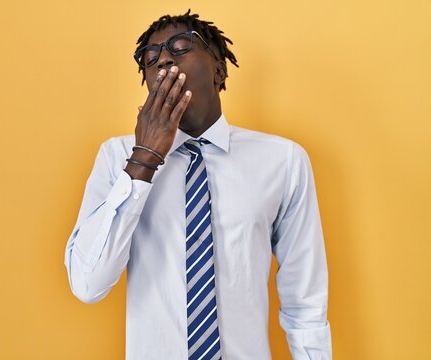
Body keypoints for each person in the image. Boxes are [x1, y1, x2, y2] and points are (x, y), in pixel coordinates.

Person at [64, 9, 332, 360]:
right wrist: (144, 158)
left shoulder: (283, 161)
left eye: (179, 46)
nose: (163, 61)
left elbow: (305, 300)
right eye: (150, 56)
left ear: (219, 69)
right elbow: (88, 285)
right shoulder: (117, 158)